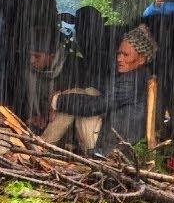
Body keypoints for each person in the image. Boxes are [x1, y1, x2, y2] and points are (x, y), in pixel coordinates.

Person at [41, 24, 157, 156]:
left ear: (141, 59)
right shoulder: (139, 74)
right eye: (119, 53)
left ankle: (42, 145)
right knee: (88, 91)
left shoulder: (133, 81)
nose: (119, 59)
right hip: (113, 142)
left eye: (125, 55)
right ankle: (44, 145)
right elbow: (100, 89)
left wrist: (57, 101)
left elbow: (94, 106)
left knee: (77, 100)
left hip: (109, 151)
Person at [20, 26, 85, 128]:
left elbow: (76, 104)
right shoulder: (28, 73)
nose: (31, 60)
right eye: (30, 56)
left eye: (37, 56)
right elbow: (23, 103)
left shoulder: (72, 70)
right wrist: (34, 116)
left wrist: (55, 104)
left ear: (52, 56)